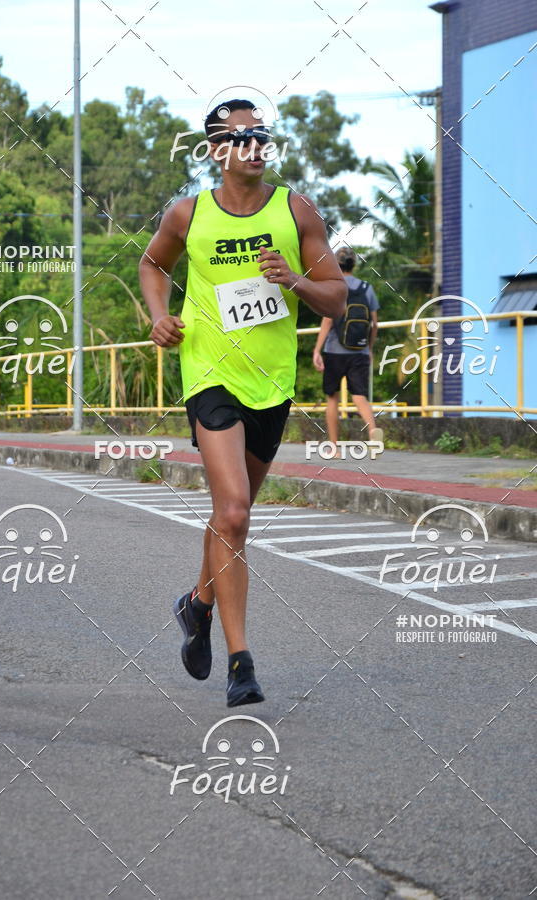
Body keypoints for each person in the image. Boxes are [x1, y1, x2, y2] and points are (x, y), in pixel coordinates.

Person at [139, 99, 347, 706]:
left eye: (261, 135)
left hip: (271, 383)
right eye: (240, 137)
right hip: (208, 372)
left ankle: (197, 604)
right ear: (216, 150)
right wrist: (160, 316)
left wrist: (297, 280)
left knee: (234, 517)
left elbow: (336, 299)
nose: (254, 145)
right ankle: (241, 663)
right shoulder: (189, 214)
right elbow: (153, 263)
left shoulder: (295, 210)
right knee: (231, 512)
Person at [313, 247, 383, 445]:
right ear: (354, 264)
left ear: (336, 264)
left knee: (332, 398)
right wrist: (368, 349)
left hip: (334, 351)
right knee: (360, 396)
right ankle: (372, 431)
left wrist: (317, 350)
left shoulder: (334, 286)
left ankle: (334, 446)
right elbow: (374, 324)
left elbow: (327, 321)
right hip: (359, 350)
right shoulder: (366, 288)